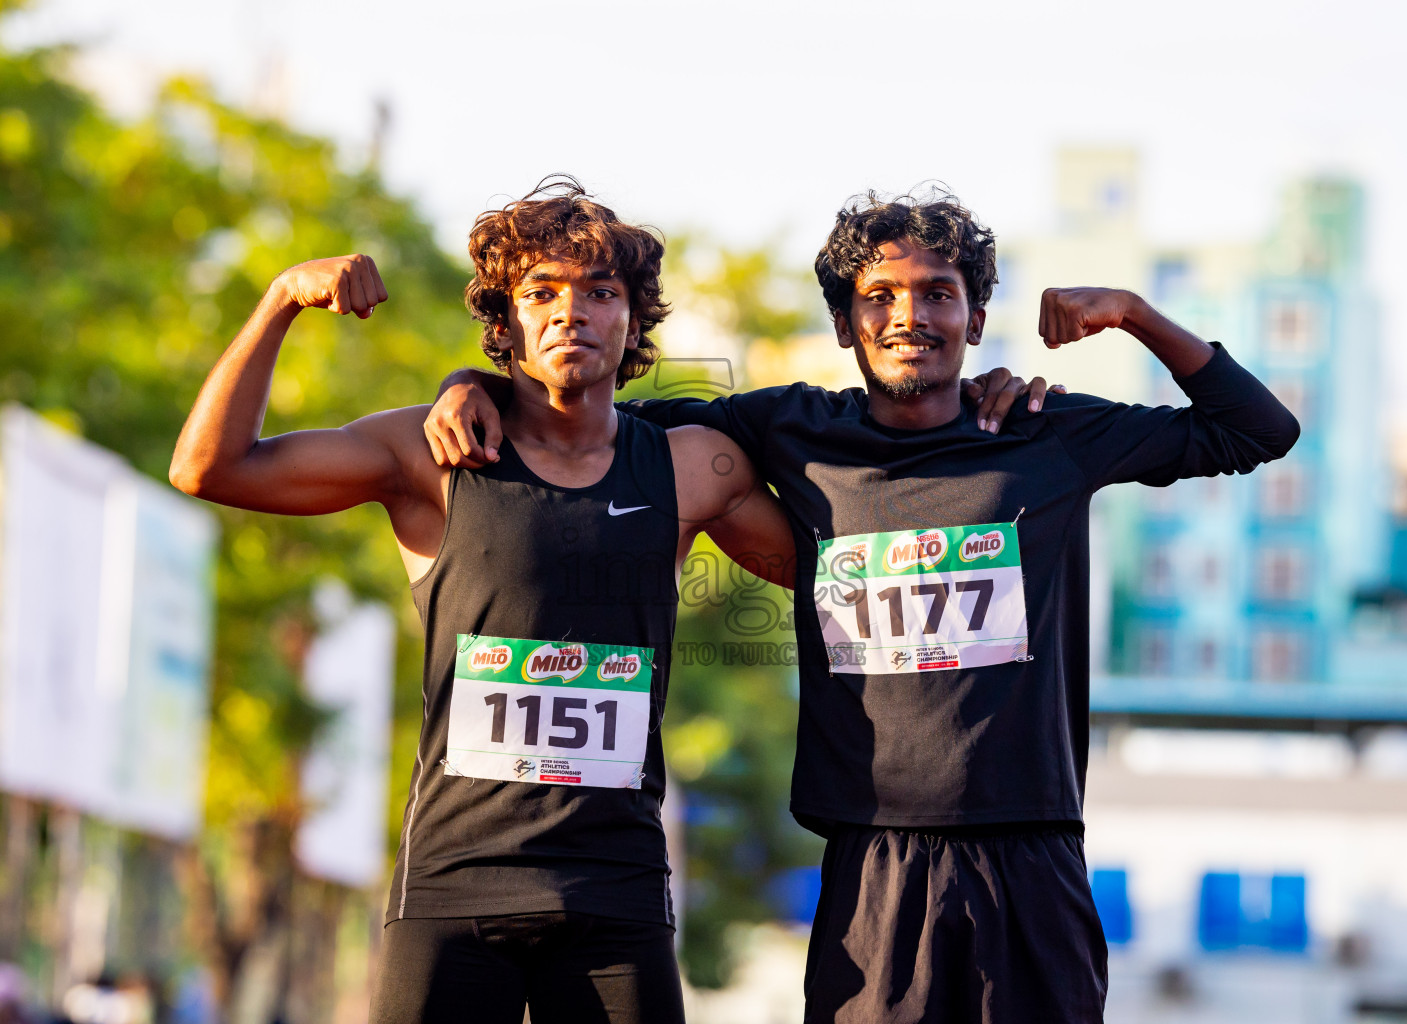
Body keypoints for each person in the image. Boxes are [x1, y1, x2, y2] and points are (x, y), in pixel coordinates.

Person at [427, 187, 1301, 1023]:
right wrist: (472, 383)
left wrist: (1133, 313)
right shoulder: (790, 430)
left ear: (976, 319)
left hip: (1032, 854)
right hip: (869, 864)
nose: (909, 316)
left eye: (938, 294)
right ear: (845, 325)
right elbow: (584, 411)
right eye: (878, 296)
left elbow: (1260, 430)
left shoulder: (1045, 432)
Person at [171, 179, 804, 1024]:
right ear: (503, 324)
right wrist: (281, 298)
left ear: (634, 323)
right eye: (540, 292)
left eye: (600, 293)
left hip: (614, 890)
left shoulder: (691, 467)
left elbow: (838, 571)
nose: (570, 311)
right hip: (450, 887)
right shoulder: (430, 453)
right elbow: (207, 469)